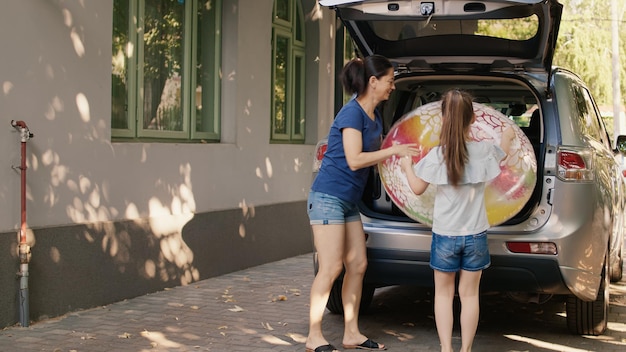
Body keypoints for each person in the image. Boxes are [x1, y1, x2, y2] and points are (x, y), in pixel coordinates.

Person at [306, 55, 420, 352]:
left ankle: (351, 333)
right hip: (328, 197)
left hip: (348, 202)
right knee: (330, 268)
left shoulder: (375, 115)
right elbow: (356, 159)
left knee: (358, 264)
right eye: (390, 80)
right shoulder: (351, 114)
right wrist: (392, 149)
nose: (393, 87)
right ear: (373, 81)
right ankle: (314, 336)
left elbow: (380, 153)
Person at [400, 90, 515, 352]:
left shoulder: (437, 154)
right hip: (475, 236)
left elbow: (417, 188)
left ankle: (446, 349)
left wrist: (407, 167)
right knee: (470, 295)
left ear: (443, 119)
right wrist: (507, 136)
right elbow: (504, 154)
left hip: (444, 236)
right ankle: (466, 350)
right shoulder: (484, 150)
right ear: (473, 119)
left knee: (442, 295)